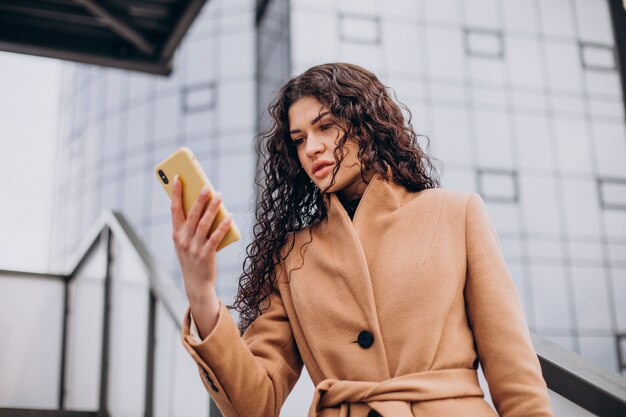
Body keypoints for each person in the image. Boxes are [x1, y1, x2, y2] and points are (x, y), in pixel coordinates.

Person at [173, 63, 554, 417]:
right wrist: (201, 292)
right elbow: (254, 402)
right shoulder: (291, 256)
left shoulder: (456, 213)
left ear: (367, 125)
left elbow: (514, 374)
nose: (311, 148)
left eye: (326, 126)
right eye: (299, 139)